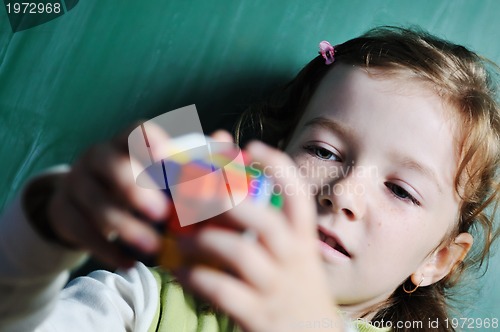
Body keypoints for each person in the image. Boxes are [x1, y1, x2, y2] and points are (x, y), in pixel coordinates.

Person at [0, 26, 499, 332]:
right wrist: (44, 231)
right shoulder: (152, 301)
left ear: (437, 260)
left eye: (400, 189)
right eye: (324, 151)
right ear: (268, 162)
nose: (343, 192)